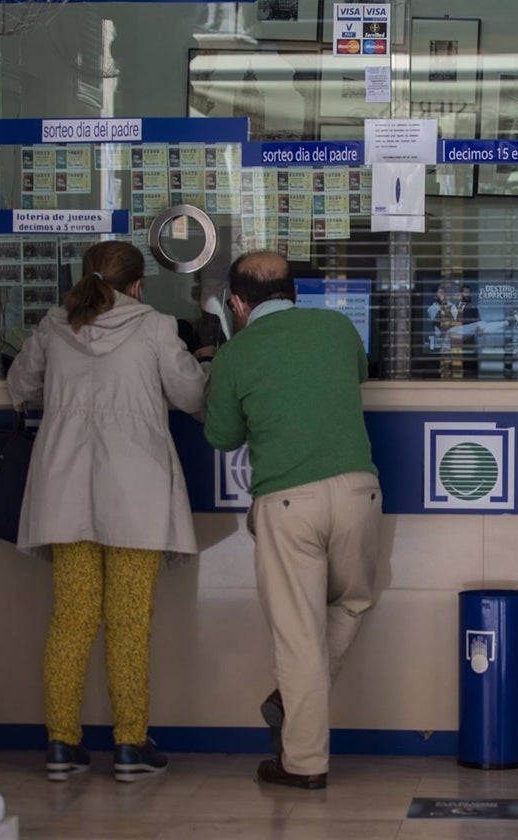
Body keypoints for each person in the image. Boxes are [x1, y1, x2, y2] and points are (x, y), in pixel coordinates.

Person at [5, 240, 210, 783]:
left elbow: (18, 386)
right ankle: (129, 746)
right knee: (127, 623)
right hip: (136, 493)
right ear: (138, 284)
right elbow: (192, 395)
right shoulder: (155, 326)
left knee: (71, 618)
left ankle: (60, 746)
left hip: (65, 490)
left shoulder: (54, 326)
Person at [203, 251, 382, 790]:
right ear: (294, 292)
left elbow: (221, 437)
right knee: (352, 602)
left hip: (287, 503)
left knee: (299, 639)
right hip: (358, 492)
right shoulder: (336, 326)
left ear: (236, 303)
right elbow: (359, 373)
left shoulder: (238, 354)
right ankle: (292, 698)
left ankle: (303, 762)